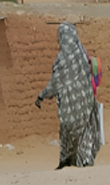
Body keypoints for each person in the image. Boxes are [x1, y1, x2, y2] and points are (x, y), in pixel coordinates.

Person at [36, 22, 101, 168]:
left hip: (69, 107)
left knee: (68, 133)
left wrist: (42, 95)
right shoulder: (82, 56)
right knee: (84, 131)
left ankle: (67, 161)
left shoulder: (62, 59)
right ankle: (84, 161)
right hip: (86, 104)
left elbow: (55, 82)